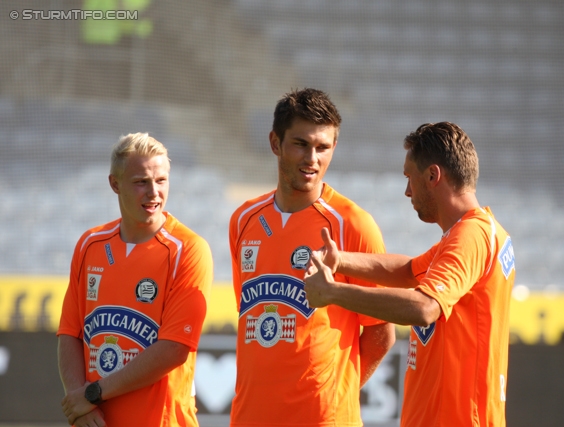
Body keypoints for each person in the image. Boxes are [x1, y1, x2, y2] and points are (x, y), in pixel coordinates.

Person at [304, 122, 516, 427]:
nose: (407, 191)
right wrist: (341, 261)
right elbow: (408, 271)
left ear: (432, 176)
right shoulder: (468, 233)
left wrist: (334, 293)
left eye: (409, 178)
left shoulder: (472, 234)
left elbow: (424, 307)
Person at [228, 88, 395, 426]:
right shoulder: (243, 221)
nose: (312, 159)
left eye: (323, 147)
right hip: (250, 418)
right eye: (301, 144)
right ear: (275, 143)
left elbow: (381, 334)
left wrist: (334, 397)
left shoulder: (353, 225)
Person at [57, 133, 214, 427]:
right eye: (141, 182)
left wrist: (92, 395)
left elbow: (174, 349)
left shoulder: (189, 249)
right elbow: (70, 333)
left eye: (161, 181)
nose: (154, 192)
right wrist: (81, 404)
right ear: (115, 184)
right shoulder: (89, 245)